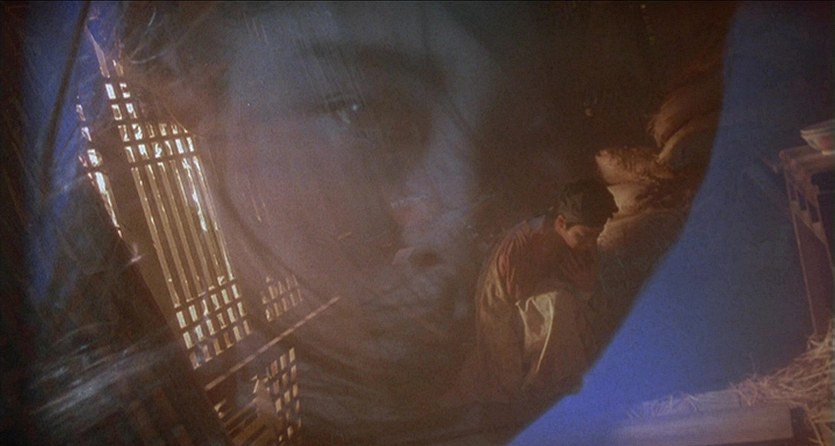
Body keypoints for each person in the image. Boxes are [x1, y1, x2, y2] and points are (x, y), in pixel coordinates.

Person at [448, 178, 618, 420]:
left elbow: (593, 304)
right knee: (558, 302)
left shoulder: (580, 244)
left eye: (595, 236)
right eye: (584, 236)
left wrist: (586, 289)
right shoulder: (521, 246)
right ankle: (546, 390)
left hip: (559, 331)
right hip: (507, 336)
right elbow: (503, 316)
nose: (590, 243)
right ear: (561, 222)